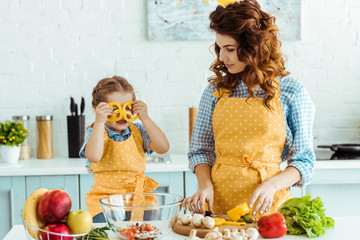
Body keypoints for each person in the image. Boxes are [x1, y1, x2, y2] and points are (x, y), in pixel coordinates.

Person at [182, 0, 315, 219]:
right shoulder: (215, 91)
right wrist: (204, 186)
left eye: (230, 49)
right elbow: (201, 151)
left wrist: (272, 185)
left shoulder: (292, 91)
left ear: (254, 47)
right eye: (220, 48)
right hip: (218, 210)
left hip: (271, 211)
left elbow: (304, 161)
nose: (222, 58)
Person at [79, 75, 170, 222]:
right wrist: (99, 121)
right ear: (98, 109)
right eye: (115, 109)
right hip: (106, 200)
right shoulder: (96, 131)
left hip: (139, 198)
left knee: (147, 234)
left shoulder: (138, 130)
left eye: (127, 108)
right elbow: (94, 156)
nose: (123, 115)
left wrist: (145, 118)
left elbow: (163, 147)